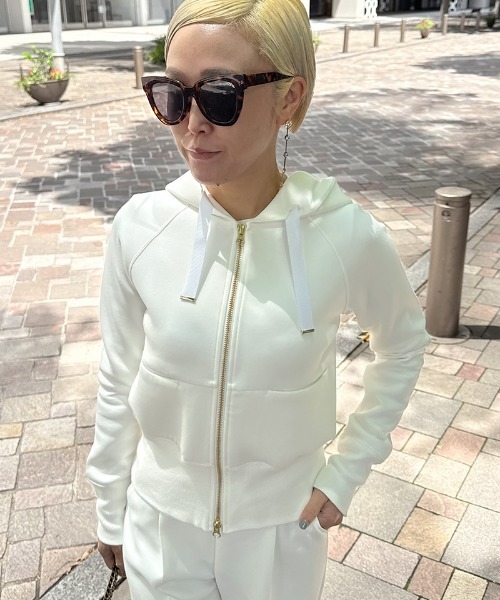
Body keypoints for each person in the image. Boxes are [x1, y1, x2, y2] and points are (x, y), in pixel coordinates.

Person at [86, 0, 429, 598]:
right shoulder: (140, 228)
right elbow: (118, 374)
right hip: (160, 526)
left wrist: (347, 469)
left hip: (280, 532)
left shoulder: (344, 235)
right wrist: (110, 504)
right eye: (173, 94)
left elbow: (402, 345)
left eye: (220, 94)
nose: (192, 123)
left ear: (288, 98)